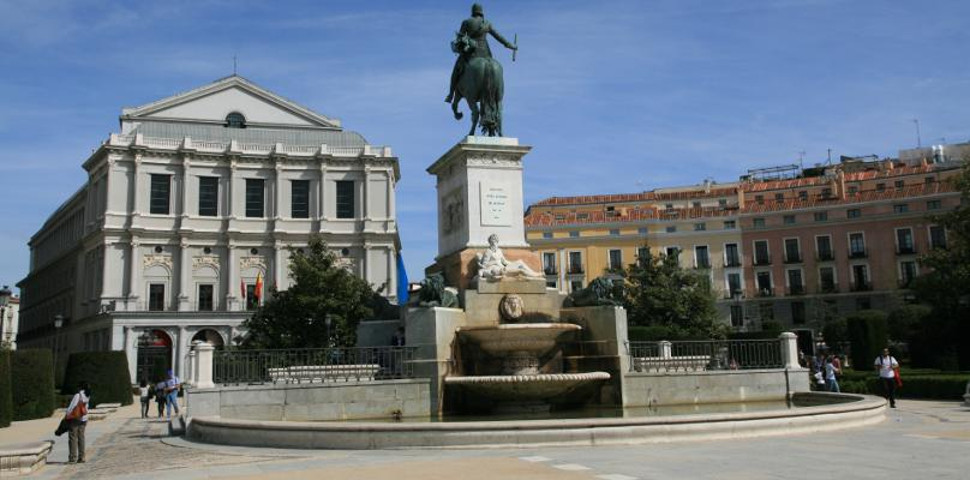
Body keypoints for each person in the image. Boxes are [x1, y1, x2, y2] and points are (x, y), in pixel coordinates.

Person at [445, 3, 517, 103]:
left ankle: (450, 95)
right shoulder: (487, 23)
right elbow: (498, 37)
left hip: (471, 53)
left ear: (473, 12)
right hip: (486, 53)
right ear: (481, 12)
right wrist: (510, 45)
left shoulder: (466, 22)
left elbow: (460, 38)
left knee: (456, 71)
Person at [477, 234, 542, 281]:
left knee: (520, 262)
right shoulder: (488, 252)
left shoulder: (499, 251)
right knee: (520, 271)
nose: (494, 243)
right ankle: (534, 276)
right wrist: (485, 265)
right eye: (492, 241)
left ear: (497, 242)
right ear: (490, 243)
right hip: (497, 270)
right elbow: (485, 265)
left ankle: (534, 274)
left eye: (495, 241)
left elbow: (504, 261)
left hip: (503, 267)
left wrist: (513, 264)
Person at [64, 382, 90, 463]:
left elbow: (72, 407)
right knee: (81, 438)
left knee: (73, 437)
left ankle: (72, 457)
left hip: (75, 419)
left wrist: (67, 415)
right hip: (84, 418)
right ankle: (82, 457)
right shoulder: (87, 395)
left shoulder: (78, 395)